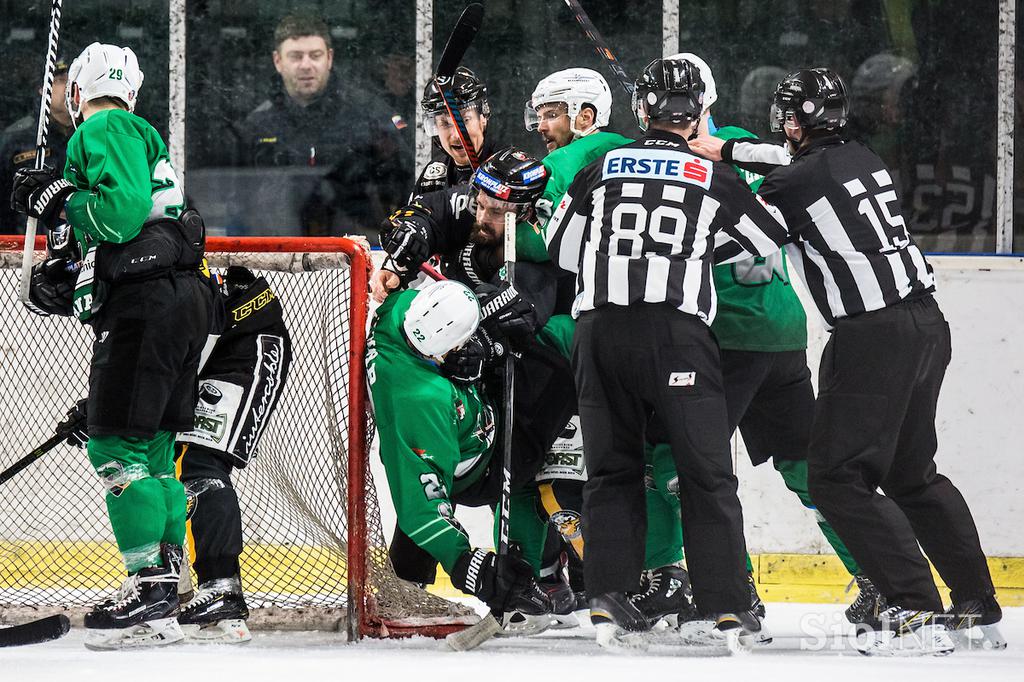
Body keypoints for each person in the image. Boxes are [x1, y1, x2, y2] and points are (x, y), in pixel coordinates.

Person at [701, 67, 1003, 655]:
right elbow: (787, 161)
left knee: (835, 478)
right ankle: (975, 604)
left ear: (791, 121)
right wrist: (725, 149)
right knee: (913, 473)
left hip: (872, 338)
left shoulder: (790, 186)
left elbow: (740, 243)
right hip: (925, 326)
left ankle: (912, 608)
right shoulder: (862, 158)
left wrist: (710, 179)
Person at [545, 56, 792, 651]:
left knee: (611, 471)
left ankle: (607, 599)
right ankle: (727, 606)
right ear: (698, 113)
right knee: (706, 474)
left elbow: (564, 247)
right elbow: (767, 239)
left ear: (642, 111)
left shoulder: (601, 164)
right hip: (676, 334)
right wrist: (697, 244)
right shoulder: (711, 174)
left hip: (598, 334)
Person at [11, 42, 213, 649]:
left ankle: (148, 585)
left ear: (81, 90)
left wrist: (55, 200)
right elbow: (128, 223)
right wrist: (68, 276)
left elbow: (120, 215)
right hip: (178, 303)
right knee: (153, 448)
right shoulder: (139, 130)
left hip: (147, 306)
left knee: (114, 445)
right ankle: (169, 593)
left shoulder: (104, 125)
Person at [677, 52, 870, 626]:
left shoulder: (685, 158)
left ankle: (734, 598)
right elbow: (791, 157)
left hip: (724, 334)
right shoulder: (747, 145)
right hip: (783, 329)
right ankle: (878, 574)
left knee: (695, 469)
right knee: (804, 465)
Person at [367, 279, 549, 626]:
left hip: (453, 423)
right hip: (477, 467)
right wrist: (471, 567)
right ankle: (550, 572)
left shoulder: (398, 310)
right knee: (533, 469)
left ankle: (408, 581)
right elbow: (422, 511)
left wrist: (487, 339)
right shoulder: (423, 401)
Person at [174, 267, 292, 643]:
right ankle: (171, 591)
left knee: (202, 463)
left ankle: (222, 588)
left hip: (249, 343)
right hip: (206, 343)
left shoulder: (144, 266)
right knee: (167, 460)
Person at [236, 13, 407, 233]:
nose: (306, 65)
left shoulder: (371, 115)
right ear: (278, 61)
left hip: (358, 250)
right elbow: (239, 201)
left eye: (315, 55)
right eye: (296, 56)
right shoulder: (257, 125)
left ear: (330, 58)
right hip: (276, 252)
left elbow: (403, 184)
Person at [0, 59, 73, 233]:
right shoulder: (15, 138)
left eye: (73, 81)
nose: (68, 87)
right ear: (42, 89)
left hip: (79, 248)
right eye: (61, 81)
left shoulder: (90, 134)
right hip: (25, 248)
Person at [413, 67, 503, 196]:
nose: (456, 135)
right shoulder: (432, 176)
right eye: (444, 124)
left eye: (465, 120)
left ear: (483, 117)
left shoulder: (507, 166)